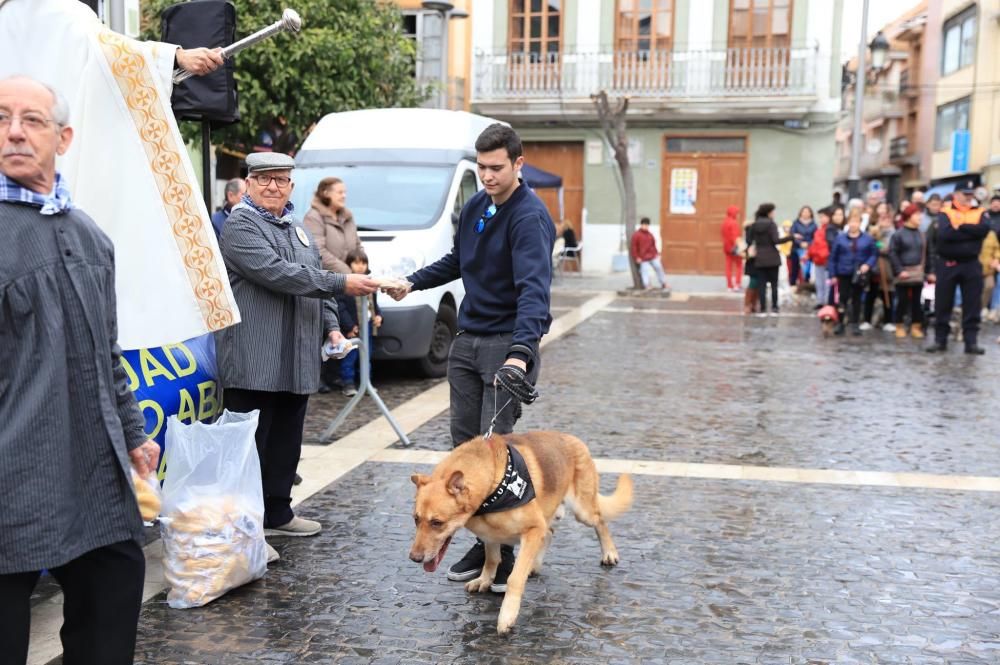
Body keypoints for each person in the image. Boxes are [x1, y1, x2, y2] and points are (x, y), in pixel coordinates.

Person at [0, 75, 162, 665]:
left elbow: (108, 353)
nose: (14, 131)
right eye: (1, 118)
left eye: (32, 120)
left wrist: (135, 434)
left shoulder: (89, 236)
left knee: (114, 598)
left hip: (94, 473)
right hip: (13, 483)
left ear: (62, 137)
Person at [0, 0, 238, 350]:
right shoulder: (58, 12)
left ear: (61, 136)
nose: (17, 131)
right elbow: (108, 52)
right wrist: (174, 57)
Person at [385, 123, 555, 594]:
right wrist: (413, 281)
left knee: (496, 452)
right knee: (465, 452)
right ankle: (484, 545)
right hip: (468, 341)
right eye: (481, 167)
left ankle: (500, 557)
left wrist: (521, 354)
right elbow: (458, 261)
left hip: (506, 347)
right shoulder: (477, 205)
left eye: (496, 168)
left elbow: (534, 294)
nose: (487, 176)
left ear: (518, 165)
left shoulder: (529, 218)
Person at [215, 152, 379, 536]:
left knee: (287, 439)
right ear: (250, 184)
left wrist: (332, 327)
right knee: (252, 445)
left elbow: (313, 279)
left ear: (291, 185)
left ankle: (279, 512)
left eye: (280, 179)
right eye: (264, 179)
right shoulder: (241, 225)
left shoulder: (295, 226)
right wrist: (343, 284)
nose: (273, 186)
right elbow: (279, 274)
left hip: (296, 354)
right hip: (255, 355)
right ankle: (247, 528)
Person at [926, 179, 990, 354]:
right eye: (965, 194)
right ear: (956, 195)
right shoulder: (945, 211)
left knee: (972, 304)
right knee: (943, 303)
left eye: (970, 194)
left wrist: (960, 227)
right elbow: (945, 235)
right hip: (948, 263)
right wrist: (971, 231)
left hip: (971, 264)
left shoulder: (979, 211)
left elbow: (984, 230)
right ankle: (940, 341)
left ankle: (971, 342)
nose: (968, 198)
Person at [335, 248, 383, 397]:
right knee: (350, 355)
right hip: (353, 328)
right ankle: (348, 383)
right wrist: (349, 326)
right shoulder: (346, 285)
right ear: (349, 265)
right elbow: (341, 308)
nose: (360, 266)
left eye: (363, 263)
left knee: (366, 355)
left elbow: (374, 305)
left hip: (367, 325)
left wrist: (379, 316)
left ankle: (366, 382)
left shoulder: (370, 283)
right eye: (356, 263)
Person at [829, 208, 877, 335]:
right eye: (851, 221)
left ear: (860, 223)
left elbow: (873, 254)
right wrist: (833, 274)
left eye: (856, 222)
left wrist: (867, 264)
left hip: (859, 273)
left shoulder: (867, 238)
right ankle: (840, 323)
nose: (853, 224)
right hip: (843, 271)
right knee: (842, 299)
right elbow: (833, 257)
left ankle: (855, 323)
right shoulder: (840, 238)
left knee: (857, 299)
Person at [303, 176, 362, 275]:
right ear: (326, 193)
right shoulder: (313, 218)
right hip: (328, 282)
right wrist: (348, 273)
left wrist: (361, 268)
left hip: (353, 281)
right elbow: (318, 252)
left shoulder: (348, 216)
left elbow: (358, 246)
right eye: (340, 192)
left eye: (345, 192)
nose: (344, 196)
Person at [888, 204, 926, 339]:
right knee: (902, 301)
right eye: (916, 215)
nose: (920, 217)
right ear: (909, 217)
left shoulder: (921, 234)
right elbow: (893, 253)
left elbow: (927, 253)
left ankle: (916, 326)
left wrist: (928, 271)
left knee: (917, 301)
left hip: (918, 273)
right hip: (903, 273)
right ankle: (899, 325)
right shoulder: (898, 234)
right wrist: (899, 270)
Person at [748, 203, 792, 316]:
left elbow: (748, 240)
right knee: (774, 284)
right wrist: (790, 237)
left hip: (760, 258)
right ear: (769, 212)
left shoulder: (754, 225)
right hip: (772, 257)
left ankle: (762, 309)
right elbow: (776, 241)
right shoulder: (772, 224)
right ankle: (774, 308)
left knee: (761, 285)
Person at [630, 216, 670, 290]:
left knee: (659, 267)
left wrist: (656, 254)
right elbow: (633, 247)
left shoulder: (650, 235)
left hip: (652, 256)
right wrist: (636, 257)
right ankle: (647, 285)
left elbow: (653, 245)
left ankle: (663, 283)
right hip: (642, 258)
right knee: (644, 270)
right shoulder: (636, 235)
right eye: (644, 225)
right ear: (641, 225)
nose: (645, 226)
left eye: (647, 225)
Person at [808, 208, 832, 308]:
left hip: (826, 260)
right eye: (820, 217)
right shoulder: (819, 230)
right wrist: (810, 254)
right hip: (818, 260)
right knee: (819, 282)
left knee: (827, 282)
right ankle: (820, 301)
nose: (821, 219)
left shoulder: (830, 230)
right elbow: (814, 244)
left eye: (823, 217)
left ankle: (826, 301)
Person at [789, 205, 816, 287]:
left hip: (808, 249)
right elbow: (792, 235)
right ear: (800, 213)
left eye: (808, 212)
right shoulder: (796, 223)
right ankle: (793, 285)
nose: (805, 214)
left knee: (807, 269)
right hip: (796, 248)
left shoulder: (814, 225)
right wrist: (800, 243)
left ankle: (806, 285)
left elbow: (815, 237)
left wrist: (808, 243)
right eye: (804, 212)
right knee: (794, 268)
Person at [721, 205, 743, 291]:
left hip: (727, 247)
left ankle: (729, 286)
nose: (737, 215)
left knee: (728, 266)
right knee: (739, 266)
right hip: (735, 247)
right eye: (736, 213)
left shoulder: (725, 222)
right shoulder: (733, 223)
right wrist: (742, 248)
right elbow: (735, 237)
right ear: (733, 213)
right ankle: (737, 284)